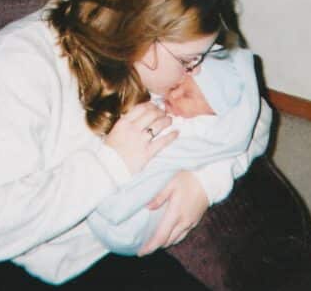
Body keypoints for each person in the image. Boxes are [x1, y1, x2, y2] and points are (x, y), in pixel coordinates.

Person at [0, 0, 271, 291]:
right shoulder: (11, 71)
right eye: (190, 61)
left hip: (79, 250)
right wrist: (110, 164)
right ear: (146, 40)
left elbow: (252, 111)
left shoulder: (162, 52)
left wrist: (206, 181)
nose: (198, 72)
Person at [87, 46, 261, 256]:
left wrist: (206, 182)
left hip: (141, 217)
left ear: (213, 111)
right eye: (176, 85)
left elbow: (248, 120)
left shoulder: (207, 127)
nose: (175, 94)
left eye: (187, 95)